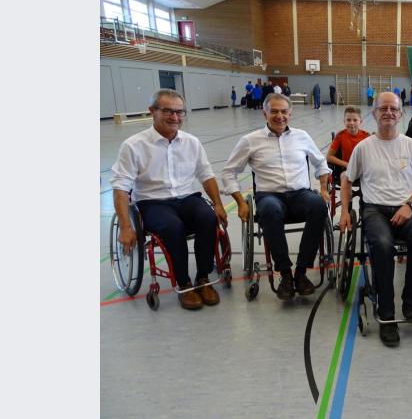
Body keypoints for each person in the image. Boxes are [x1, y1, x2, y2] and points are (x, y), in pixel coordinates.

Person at [110, 89, 228, 310]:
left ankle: (203, 279)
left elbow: (206, 175)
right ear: (152, 111)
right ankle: (183, 284)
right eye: (167, 111)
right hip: (153, 202)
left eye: (179, 112)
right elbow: (121, 188)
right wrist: (125, 226)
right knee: (173, 227)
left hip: (186, 197)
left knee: (207, 218)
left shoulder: (191, 142)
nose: (175, 117)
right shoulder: (133, 145)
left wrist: (219, 205)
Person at [339, 91, 412, 347]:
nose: (388, 112)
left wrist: (410, 205)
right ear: (374, 113)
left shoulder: (411, 146)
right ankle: (386, 313)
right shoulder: (363, 147)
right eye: (383, 108)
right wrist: (345, 212)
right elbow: (346, 181)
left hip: (405, 206)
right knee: (381, 245)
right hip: (374, 209)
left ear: (400, 114)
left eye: (394, 108)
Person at [221, 93, 331, 301]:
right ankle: (285, 274)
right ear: (264, 113)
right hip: (269, 196)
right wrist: (240, 202)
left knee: (318, 205)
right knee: (270, 210)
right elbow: (229, 172)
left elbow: (321, 163)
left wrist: (323, 188)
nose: (279, 116)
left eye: (283, 112)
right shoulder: (250, 141)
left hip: (300, 194)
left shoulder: (302, 136)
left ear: (290, 113)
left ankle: (301, 271)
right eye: (274, 111)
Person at [327, 106, 370, 183]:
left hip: (363, 171)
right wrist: (347, 164)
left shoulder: (366, 136)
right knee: (345, 177)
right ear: (344, 121)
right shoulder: (340, 136)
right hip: (346, 170)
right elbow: (329, 157)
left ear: (361, 121)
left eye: (355, 120)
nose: (351, 123)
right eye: (348, 120)